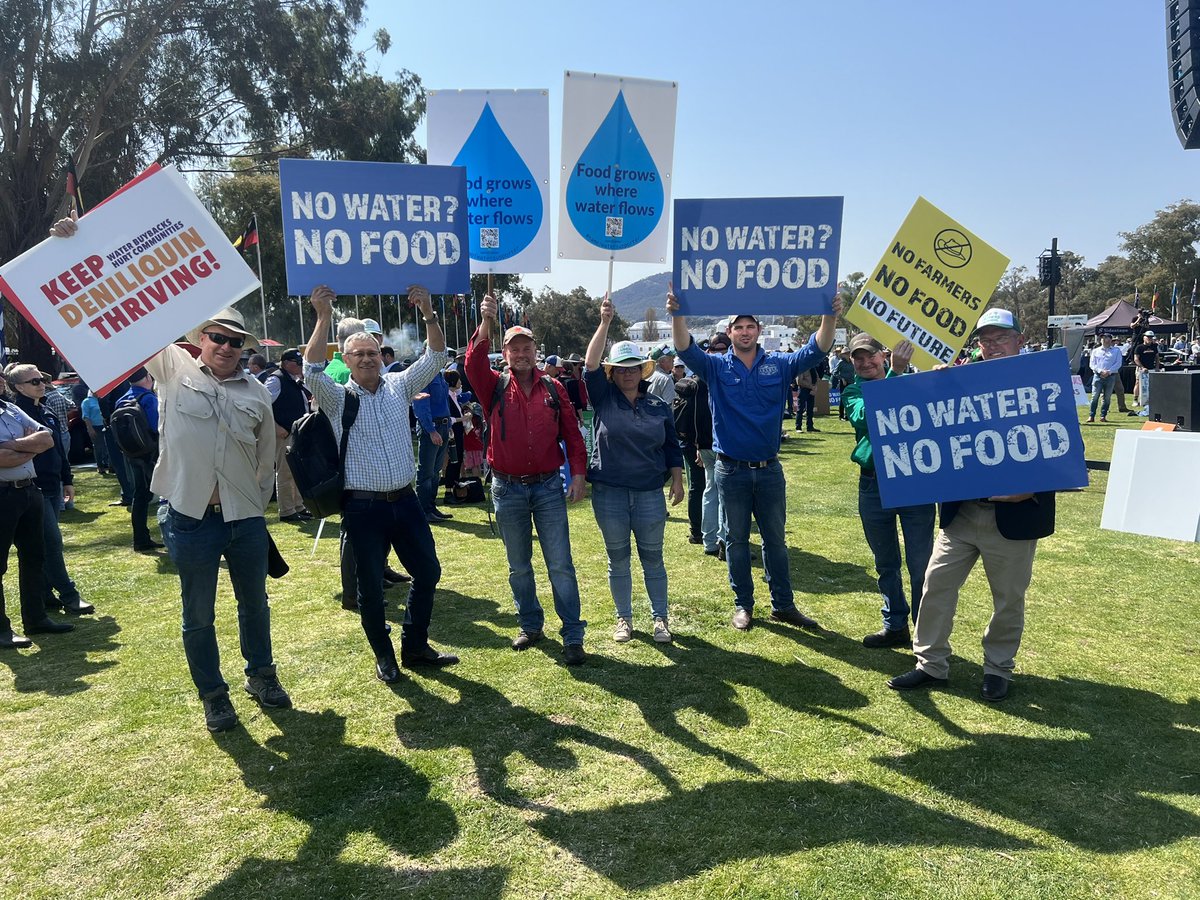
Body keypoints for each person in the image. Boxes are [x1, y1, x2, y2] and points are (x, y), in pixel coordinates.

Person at [889, 309, 1056, 702]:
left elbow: (1058, 445)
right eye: (985, 340)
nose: (992, 346)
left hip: (1014, 516)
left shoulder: (1040, 379)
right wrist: (928, 380)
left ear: (1020, 339)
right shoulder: (958, 379)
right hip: (962, 514)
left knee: (1008, 599)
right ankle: (930, 664)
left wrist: (1032, 489)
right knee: (935, 587)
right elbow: (918, 418)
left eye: (1001, 338)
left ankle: (998, 669)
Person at [304, 284, 456, 684]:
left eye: (373, 352)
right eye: (360, 354)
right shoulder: (336, 398)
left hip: (405, 502)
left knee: (428, 572)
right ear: (346, 360)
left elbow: (437, 355)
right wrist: (322, 317)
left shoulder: (399, 385)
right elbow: (310, 369)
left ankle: (415, 646)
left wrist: (428, 312)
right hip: (363, 508)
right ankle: (384, 656)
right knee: (370, 589)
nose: (369, 358)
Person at [669, 288, 842, 631]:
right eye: (739, 327)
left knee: (775, 541)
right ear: (730, 332)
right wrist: (677, 315)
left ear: (759, 331)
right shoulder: (716, 367)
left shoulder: (779, 364)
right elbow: (684, 348)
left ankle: (783, 605)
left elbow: (818, 348)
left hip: (769, 470)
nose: (745, 331)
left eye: (751, 326)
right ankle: (743, 605)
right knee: (735, 541)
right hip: (730, 469)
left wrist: (830, 314)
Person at [465, 295, 589, 664]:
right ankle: (530, 623)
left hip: (549, 486)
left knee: (560, 564)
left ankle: (572, 635)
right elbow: (472, 362)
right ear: (504, 353)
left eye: (527, 348)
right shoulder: (493, 387)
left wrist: (578, 474)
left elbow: (573, 435)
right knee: (519, 565)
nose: (521, 353)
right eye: (514, 348)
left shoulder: (555, 389)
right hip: (507, 488)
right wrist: (486, 322)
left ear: (536, 352)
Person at [584, 299, 685, 643]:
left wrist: (677, 477)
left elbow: (671, 444)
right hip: (609, 492)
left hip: (648, 493)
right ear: (612, 372)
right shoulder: (603, 397)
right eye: (621, 368)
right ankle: (624, 619)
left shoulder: (658, 404)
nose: (627, 373)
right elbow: (589, 364)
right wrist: (604, 323)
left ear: (642, 370)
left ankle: (660, 619)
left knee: (653, 558)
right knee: (618, 558)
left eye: (633, 367)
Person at [840, 335, 934, 648]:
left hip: (913, 480)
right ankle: (895, 625)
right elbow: (869, 417)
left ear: (884, 355)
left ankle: (925, 634)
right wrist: (895, 373)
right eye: (859, 359)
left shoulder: (913, 381)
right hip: (873, 484)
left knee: (921, 564)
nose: (866, 363)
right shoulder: (853, 391)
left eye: (871, 357)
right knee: (886, 563)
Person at [5, 364, 94, 617]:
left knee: (43, 544)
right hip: (33, 487)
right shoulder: (15, 415)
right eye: (34, 382)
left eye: (41, 379)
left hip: (53, 484)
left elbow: (56, 450)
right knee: (52, 543)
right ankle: (69, 595)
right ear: (18, 387)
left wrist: (67, 479)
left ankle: (45, 594)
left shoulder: (44, 412)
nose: (41, 384)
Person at [0, 374, 75, 648]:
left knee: (35, 556)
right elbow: (1, 459)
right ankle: (1, 630)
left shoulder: (11, 408)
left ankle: (36, 618)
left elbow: (47, 439)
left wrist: (14, 446)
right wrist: (29, 447)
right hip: (2, 494)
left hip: (28, 491)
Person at [116, 367, 164, 551]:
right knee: (167, 492)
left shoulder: (122, 399)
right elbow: (157, 426)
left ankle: (140, 537)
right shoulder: (148, 398)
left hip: (132, 454)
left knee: (140, 495)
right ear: (147, 377)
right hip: (152, 453)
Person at [265, 349, 312, 523]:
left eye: (301, 363)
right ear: (285, 363)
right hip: (284, 433)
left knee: (297, 472)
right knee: (284, 473)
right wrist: (276, 427)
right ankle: (286, 510)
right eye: (296, 363)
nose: (300, 366)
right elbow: (262, 405)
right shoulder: (276, 380)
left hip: (296, 432)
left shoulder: (294, 380)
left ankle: (298, 506)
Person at [413, 366, 454, 523]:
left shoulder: (439, 374)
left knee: (435, 471)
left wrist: (448, 424)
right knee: (426, 472)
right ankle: (423, 510)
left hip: (442, 425)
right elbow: (421, 406)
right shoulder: (424, 375)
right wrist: (431, 430)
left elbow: (445, 401)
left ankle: (431, 506)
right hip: (432, 426)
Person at [1087, 334, 1123, 424]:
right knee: (1094, 396)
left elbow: (1118, 363)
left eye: (1106, 338)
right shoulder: (1095, 351)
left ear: (1110, 340)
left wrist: (1109, 372)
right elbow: (1092, 364)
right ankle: (1091, 416)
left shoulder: (1116, 351)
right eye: (1102, 338)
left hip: (1110, 376)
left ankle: (1103, 415)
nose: (1103, 340)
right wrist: (1100, 371)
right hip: (1098, 376)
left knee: (1107, 397)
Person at [80, 389, 112, 475]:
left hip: (104, 425)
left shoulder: (102, 399)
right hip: (95, 427)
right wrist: (90, 428)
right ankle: (100, 466)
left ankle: (110, 465)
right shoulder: (86, 401)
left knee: (108, 446)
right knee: (98, 447)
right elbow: (86, 417)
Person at [1133, 331, 1160, 417]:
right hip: (1141, 368)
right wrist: (1142, 367)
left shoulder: (1154, 347)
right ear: (1144, 337)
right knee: (1138, 382)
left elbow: (1157, 357)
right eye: (1148, 337)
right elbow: (1136, 359)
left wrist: (1157, 367)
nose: (1150, 339)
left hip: (1151, 368)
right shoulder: (1139, 347)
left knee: (1151, 384)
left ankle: (1149, 400)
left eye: (1151, 337)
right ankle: (1135, 399)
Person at [793, 366, 818, 432]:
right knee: (800, 409)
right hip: (803, 390)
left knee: (810, 409)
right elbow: (799, 381)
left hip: (811, 390)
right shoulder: (802, 368)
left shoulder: (813, 368)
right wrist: (811, 386)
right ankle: (798, 427)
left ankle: (810, 426)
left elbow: (816, 378)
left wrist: (814, 387)